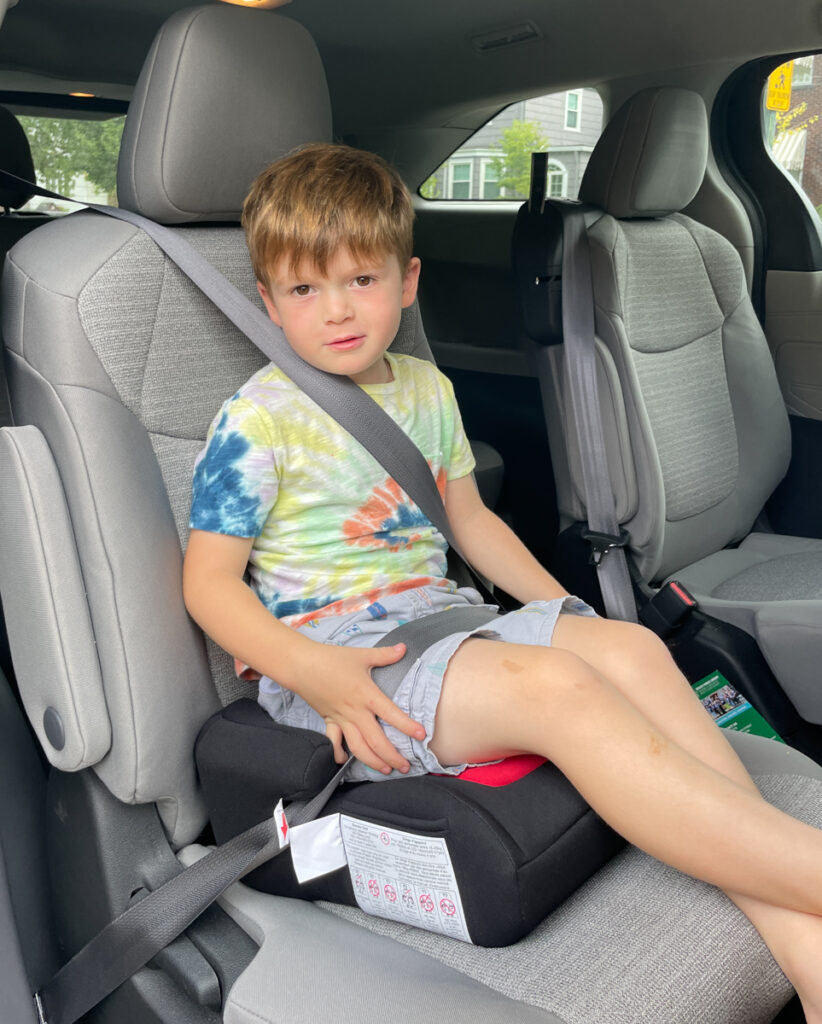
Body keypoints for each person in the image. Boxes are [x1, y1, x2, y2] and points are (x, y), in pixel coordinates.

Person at [183, 142, 822, 1021]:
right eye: (304, 290)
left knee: (629, 648)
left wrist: (561, 611)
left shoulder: (424, 388)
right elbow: (209, 587)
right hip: (338, 663)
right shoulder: (257, 421)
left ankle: (798, 933)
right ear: (268, 302)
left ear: (407, 283)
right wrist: (312, 672)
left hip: (442, 622)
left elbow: (471, 523)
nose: (336, 311)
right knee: (562, 687)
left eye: (360, 281)